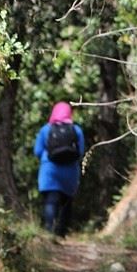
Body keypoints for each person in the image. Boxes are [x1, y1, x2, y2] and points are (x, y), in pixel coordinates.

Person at [33, 101, 85, 237]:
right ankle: (61, 233)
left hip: (49, 170)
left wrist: (47, 158)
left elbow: (37, 150)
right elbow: (80, 152)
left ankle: (49, 231)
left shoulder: (46, 129)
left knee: (51, 201)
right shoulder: (76, 130)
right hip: (70, 172)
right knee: (66, 203)